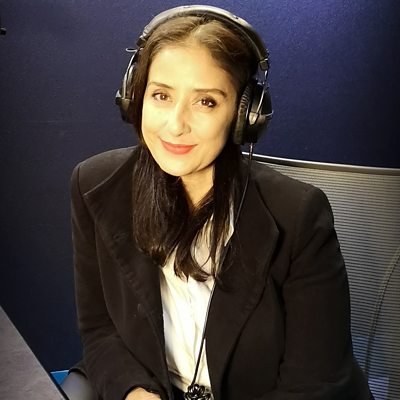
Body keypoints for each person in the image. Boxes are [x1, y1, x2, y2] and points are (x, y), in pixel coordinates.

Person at [68, 5, 373, 400]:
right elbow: (100, 329)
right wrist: (135, 393)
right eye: (161, 95)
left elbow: (314, 384)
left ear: (245, 115)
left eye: (206, 102)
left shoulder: (299, 216)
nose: (175, 124)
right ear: (135, 96)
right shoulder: (94, 185)